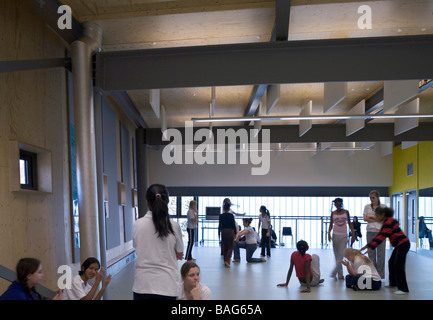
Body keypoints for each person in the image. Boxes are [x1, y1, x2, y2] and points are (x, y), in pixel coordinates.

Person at [132, 184, 184, 300]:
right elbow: (180, 252)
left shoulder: (138, 224)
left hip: (142, 285)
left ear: (147, 201)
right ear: (167, 201)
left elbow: (137, 247)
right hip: (167, 286)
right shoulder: (174, 226)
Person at [361, 206, 410, 295]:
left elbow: (381, 237)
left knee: (398, 266)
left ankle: (403, 288)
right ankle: (393, 283)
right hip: (399, 245)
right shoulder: (387, 222)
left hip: (403, 245)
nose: (376, 217)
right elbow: (379, 235)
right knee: (391, 262)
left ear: (382, 215)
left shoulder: (389, 222)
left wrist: (371, 247)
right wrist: (367, 245)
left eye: (377, 215)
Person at [328, 198, 355, 279]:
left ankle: (334, 272)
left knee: (341, 255)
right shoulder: (333, 213)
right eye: (336, 203)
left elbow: (350, 223)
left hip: (344, 235)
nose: (338, 205)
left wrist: (353, 234)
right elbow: (331, 224)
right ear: (335, 204)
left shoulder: (346, 212)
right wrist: (328, 234)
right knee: (337, 256)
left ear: (341, 203)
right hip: (335, 234)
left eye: (339, 203)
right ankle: (340, 275)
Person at [363, 190, 386, 279]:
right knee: (371, 254)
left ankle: (380, 275)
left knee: (381, 254)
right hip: (370, 232)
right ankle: (373, 274)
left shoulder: (383, 207)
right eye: (370, 198)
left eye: (373, 197)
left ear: (378, 197)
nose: (371, 199)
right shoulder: (367, 207)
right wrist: (377, 218)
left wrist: (370, 217)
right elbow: (365, 218)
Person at [218, 201, 237, 268]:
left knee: (225, 246)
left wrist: (219, 233)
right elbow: (233, 225)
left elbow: (220, 225)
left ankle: (225, 261)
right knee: (231, 247)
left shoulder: (221, 216)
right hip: (230, 231)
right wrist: (235, 233)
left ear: (223, 208)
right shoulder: (231, 216)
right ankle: (226, 260)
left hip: (223, 231)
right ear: (229, 209)